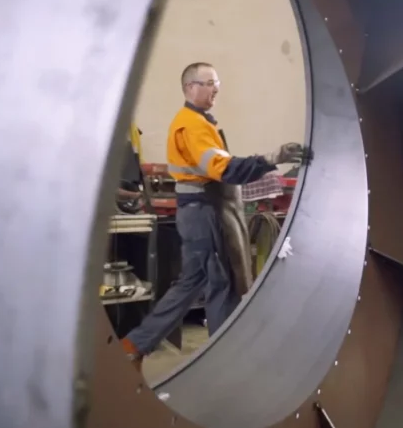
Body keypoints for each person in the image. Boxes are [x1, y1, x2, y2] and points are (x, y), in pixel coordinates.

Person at [120, 62, 308, 370]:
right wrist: (272, 158)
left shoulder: (199, 123)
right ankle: (225, 353)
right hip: (202, 212)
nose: (215, 88)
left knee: (198, 280)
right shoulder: (192, 126)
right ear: (190, 88)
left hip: (197, 211)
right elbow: (224, 169)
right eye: (208, 83)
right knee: (220, 282)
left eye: (216, 82)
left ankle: (138, 344)